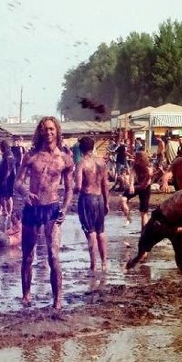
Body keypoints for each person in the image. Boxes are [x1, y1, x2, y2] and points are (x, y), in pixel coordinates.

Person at [15, 116, 74, 310]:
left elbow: (70, 188)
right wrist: (25, 192)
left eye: (51, 129)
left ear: (57, 131)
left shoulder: (65, 159)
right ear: (40, 132)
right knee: (28, 255)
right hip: (32, 208)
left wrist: (65, 209)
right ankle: (26, 295)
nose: (48, 132)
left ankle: (57, 301)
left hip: (52, 208)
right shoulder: (31, 156)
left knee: (53, 255)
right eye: (44, 129)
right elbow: (18, 182)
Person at [74, 136, 109, 271]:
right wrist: (106, 203)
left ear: (81, 149)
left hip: (87, 199)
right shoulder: (101, 163)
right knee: (101, 231)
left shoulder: (81, 163)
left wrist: (70, 189)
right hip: (99, 198)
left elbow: (78, 186)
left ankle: (93, 264)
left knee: (91, 232)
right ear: (93, 147)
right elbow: (105, 184)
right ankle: (104, 262)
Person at [121, 151, 153, 230]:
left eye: (137, 158)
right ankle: (128, 218)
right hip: (137, 185)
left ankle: (144, 231)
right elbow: (132, 174)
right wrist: (131, 185)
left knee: (143, 212)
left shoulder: (149, 167)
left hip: (145, 188)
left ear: (142, 159)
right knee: (123, 199)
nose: (135, 160)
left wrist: (137, 187)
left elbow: (147, 183)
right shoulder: (135, 164)